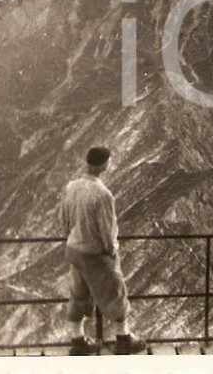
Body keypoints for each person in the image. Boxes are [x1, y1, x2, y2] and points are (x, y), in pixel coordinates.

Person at [60, 146, 147, 355]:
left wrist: (73, 236)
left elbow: (64, 220)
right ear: (105, 164)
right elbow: (106, 230)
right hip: (94, 252)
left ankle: (78, 341)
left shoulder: (72, 187)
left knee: (78, 293)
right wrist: (111, 250)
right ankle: (124, 339)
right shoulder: (103, 194)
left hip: (74, 248)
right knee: (115, 291)